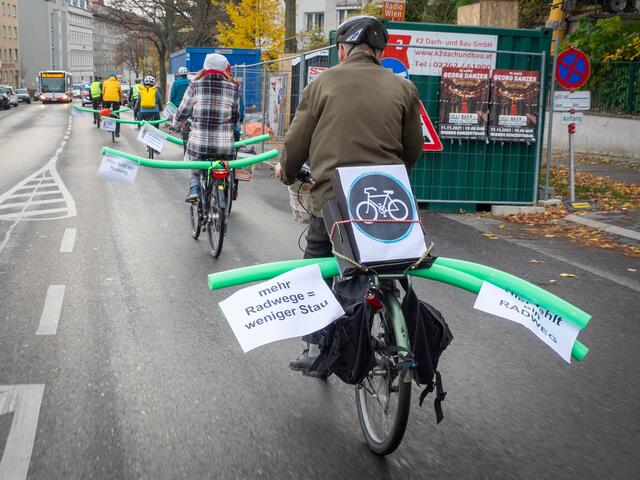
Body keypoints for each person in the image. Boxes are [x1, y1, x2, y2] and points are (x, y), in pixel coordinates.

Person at [278, 15, 424, 374]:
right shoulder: (403, 88)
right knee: (392, 259)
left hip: (334, 198)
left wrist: (291, 172)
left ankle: (315, 345)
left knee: (317, 256)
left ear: (342, 50)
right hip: (387, 196)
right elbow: (413, 149)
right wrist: (393, 176)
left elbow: (297, 142)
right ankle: (396, 319)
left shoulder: (323, 83)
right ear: (379, 52)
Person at [172, 53, 240, 203]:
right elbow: (236, 116)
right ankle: (225, 186)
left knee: (191, 160)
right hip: (224, 146)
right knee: (224, 164)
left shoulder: (195, 85)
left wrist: (175, 125)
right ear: (225, 69)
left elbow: (183, 112)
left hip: (199, 145)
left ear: (205, 68)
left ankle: (194, 187)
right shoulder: (233, 88)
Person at [101, 72, 122, 137]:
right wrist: (120, 99)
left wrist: (104, 97)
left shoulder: (105, 82)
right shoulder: (118, 83)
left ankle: (108, 126)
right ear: (115, 77)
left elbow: (103, 92)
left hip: (106, 99)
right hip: (116, 100)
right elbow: (120, 93)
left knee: (106, 112)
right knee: (117, 114)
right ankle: (117, 132)